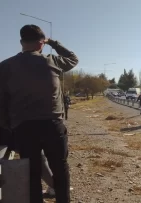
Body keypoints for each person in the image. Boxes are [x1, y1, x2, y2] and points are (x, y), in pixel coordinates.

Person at [0, 25, 78, 203]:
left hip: (24, 128)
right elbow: (73, 59)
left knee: (32, 172)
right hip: (53, 125)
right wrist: (54, 43)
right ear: (41, 44)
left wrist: (9, 126)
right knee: (60, 168)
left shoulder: (5, 66)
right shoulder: (51, 61)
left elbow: (1, 103)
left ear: (21, 42)